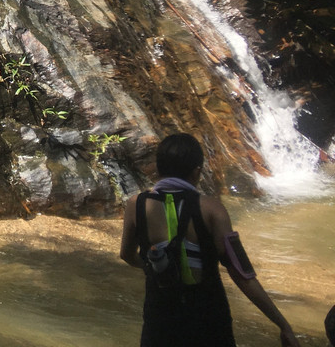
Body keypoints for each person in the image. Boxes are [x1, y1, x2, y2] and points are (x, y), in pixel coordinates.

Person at [119, 133, 300, 346]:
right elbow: (241, 273)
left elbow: (127, 255)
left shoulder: (136, 205)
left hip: (159, 320)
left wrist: (156, 268)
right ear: (197, 171)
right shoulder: (212, 209)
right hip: (208, 320)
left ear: (159, 169)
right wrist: (282, 324)